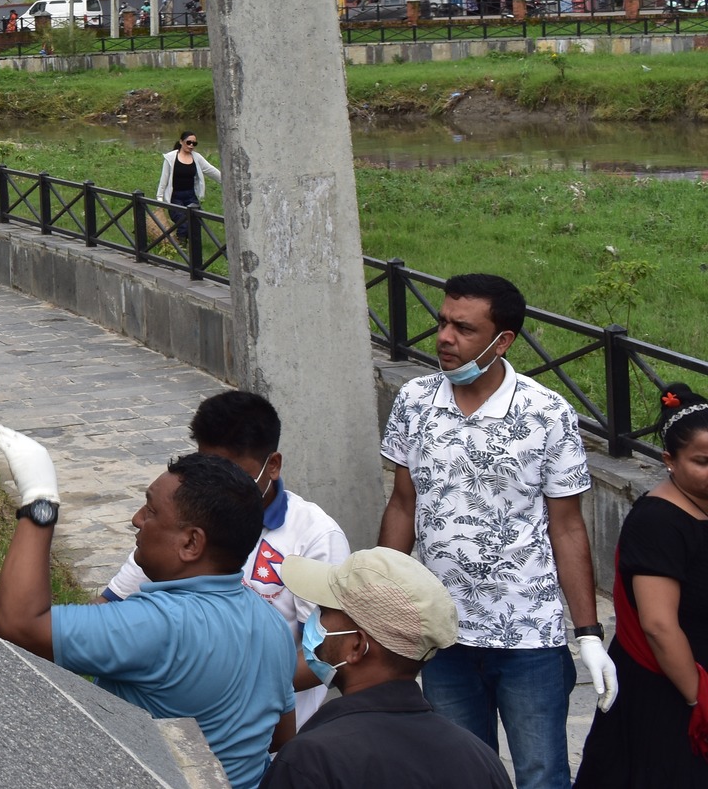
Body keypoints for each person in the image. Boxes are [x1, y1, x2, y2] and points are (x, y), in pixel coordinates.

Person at [379, 272, 616, 789]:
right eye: (441, 322)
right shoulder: (415, 401)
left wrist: (589, 634)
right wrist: (377, 600)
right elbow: (402, 504)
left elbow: (568, 527)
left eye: (462, 328)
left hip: (529, 637)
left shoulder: (547, 413)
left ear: (502, 340)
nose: (444, 337)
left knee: (541, 774)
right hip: (442, 633)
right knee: (463, 774)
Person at [0, 431, 295, 789]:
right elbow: (278, 737)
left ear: (191, 543)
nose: (136, 519)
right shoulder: (271, 622)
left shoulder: (159, 625)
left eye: (151, 510)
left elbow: (20, 623)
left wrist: (39, 502)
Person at [101, 391, 350, 729]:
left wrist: (224, 688)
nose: (220, 487)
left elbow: (323, 655)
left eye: (234, 472)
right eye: (209, 469)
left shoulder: (316, 538)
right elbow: (110, 605)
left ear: (272, 466)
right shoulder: (185, 518)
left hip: (265, 739)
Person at [261, 548, 510, 789]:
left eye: (324, 611)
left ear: (357, 646)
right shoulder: (481, 760)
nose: (316, 620)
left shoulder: (310, 761)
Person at [574, 384, 708, 787]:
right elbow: (658, 624)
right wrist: (698, 701)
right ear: (670, 460)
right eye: (703, 461)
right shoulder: (658, 522)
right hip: (668, 693)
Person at [156, 130, 221, 244]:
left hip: (190, 195)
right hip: (175, 196)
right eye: (188, 142)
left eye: (194, 144)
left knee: (195, 222)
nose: (191, 145)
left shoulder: (197, 158)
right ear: (181, 142)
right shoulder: (170, 158)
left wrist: (228, 182)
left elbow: (212, 171)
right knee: (182, 223)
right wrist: (160, 199)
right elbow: (164, 180)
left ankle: (194, 248)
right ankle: (181, 246)